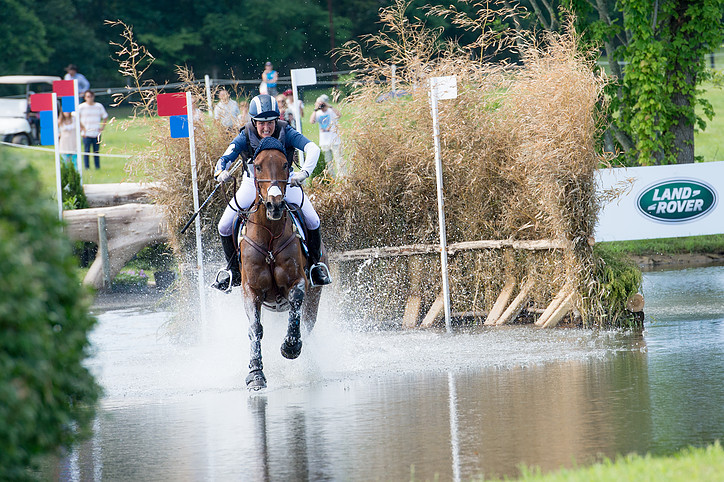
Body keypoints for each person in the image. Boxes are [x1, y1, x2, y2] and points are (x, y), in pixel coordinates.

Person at [211, 94, 332, 291]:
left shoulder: (287, 131)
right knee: (224, 225)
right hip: (253, 185)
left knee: (313, 220)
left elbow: (312, 148)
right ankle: (232, 271)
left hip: (286, 183)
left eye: (270, 122)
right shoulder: (245, 135)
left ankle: (314, 266)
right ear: (253, 121)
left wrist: (304, 173)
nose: (266, 128)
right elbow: (225, 157)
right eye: (261, 123)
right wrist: (220, 171)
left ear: (276, 120)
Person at [309, 94, 345, 177]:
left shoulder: (331, 111)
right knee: (328, 163)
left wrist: (329, 106)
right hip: (324, 142)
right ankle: (331, 178)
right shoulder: (318, 113)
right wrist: (315, 109)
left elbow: (339, 115)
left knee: (339, 161)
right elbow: (312, 121)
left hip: (335, 141)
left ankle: (343, 178)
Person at [77, 90, 108, 170]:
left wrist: (102, 127)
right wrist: (81, 128)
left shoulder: (98, 106)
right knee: (86, 151)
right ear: (85, 98)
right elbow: (76, 117)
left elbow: (105, 116)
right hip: (86, 133)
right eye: (87, 96)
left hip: (96, 133)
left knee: (96, 151)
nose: (89, 98)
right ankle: (87, 167)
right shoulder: (81, 107)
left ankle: (97, 167)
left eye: (91, 96)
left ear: (93, 97)